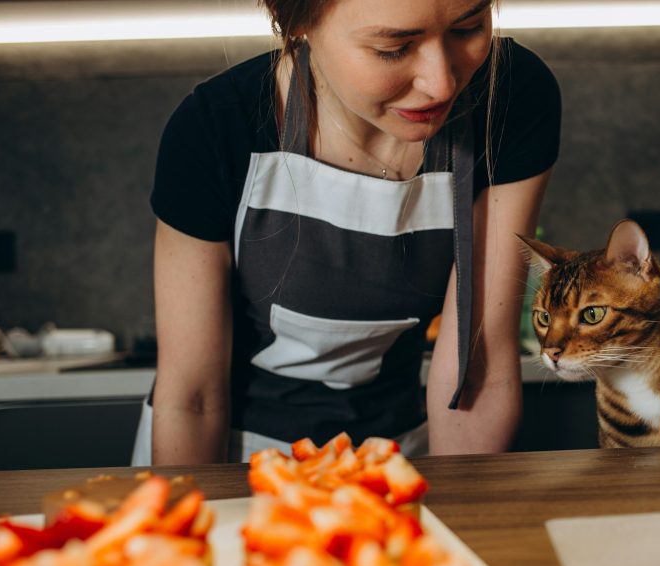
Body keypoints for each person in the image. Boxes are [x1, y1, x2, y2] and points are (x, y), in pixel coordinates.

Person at [131, 0, 560, 465]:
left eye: (468, 27)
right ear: (298, 26)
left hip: (398, 451)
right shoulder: (214, 128)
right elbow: (192, 396)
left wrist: (464, 515)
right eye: (392, 48)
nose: (442, 82)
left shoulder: (511, 97)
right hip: (234, 456)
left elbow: (478, 367)